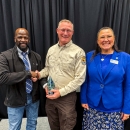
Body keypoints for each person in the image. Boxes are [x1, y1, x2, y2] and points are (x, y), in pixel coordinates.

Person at [34, 19, 86, 130]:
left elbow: (80, 78)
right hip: (50, 96)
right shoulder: (51, 50)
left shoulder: (79, 52)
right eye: (63, 30)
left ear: (72, 32)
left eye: (68, 30)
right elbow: (48, 69)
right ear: (57, 31)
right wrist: (38, 75)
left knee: (67, 126)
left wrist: (61, 92)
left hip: (67, 98)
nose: (65, 33)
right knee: (53, 126)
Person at [80, 27, 130, 130]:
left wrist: (127, 108)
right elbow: (85, 80)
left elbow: (128, 85)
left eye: (109, 36)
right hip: (92, 106)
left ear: (114, 38)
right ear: (98, 41)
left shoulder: (125, 58)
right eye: (102, 37)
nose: (105, 40)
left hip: (114, 109)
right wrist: (83, 98)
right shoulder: (89, 56)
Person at [0, 28, 46, 130]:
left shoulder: (36, 56)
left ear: (29, 39)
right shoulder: (4, 56)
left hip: (33, 98)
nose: (23, 39)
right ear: (14, 39)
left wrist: (44, 84)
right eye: (20, 37)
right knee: (14, 127)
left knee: (32, 125)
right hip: (15, 99)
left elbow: (41, 75)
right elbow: (3, 78)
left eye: (25, 37)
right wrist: (28, 74)